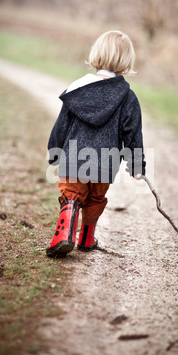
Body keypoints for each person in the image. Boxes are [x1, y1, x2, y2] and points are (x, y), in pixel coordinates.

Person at [46, 30, 146, 257]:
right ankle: (86, 238)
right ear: (126, 61)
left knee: (72, 193)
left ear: (97, 53)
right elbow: (133, 135)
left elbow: (61, 124)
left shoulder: (77, 88)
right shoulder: (128, 96)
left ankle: (63, 235)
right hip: (105, 163)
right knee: (95, 199)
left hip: (75, 159)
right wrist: (137, 166)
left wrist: (54, 150)